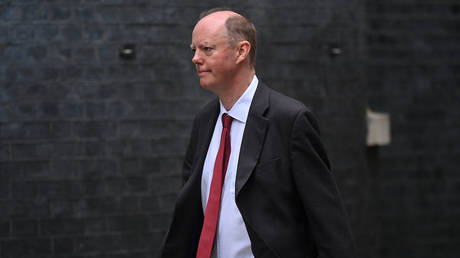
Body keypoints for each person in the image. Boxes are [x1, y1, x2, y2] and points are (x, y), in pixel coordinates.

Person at [159, 7, 356, 258]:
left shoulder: (290, 120)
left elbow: (330, 227)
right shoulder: (204, 122)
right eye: (194, 50)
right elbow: (190, 216)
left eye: (207, 49)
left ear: (242, 50)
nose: (196, 58)